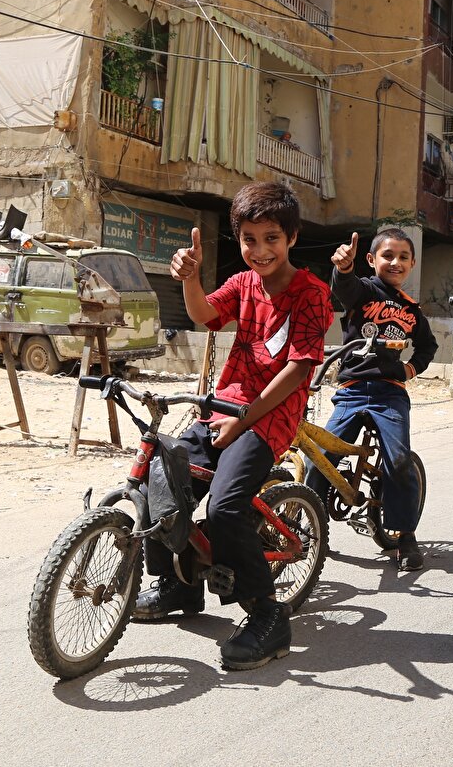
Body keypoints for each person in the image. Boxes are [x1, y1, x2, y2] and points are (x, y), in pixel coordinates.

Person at [134, 180, 333, 671]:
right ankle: (177, 586)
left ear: (291, 237)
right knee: (162, 482)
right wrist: (189, 277)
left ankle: (269, 616)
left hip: (271, 415)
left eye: (271, 238)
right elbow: (204, 314)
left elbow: (298, 370)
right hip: (224, 404)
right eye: (249, 239)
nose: (260, 250)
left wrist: (243, 421)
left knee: (224, 509)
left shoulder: (312, 293)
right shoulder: (243, 284)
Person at [305, 225, 439, 570]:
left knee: (398, 462)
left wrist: (409, 370)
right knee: (319, 457)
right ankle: (311, 528)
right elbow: (344, 287)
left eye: (403, 257)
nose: (395, 262)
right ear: (372, 259)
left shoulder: (411, 309)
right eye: (387, 255)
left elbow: (427, 346)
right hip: (351, 391)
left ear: (411, 264)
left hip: (389, 395)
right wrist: (343, 269)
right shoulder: (363, 291)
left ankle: (405, 537)